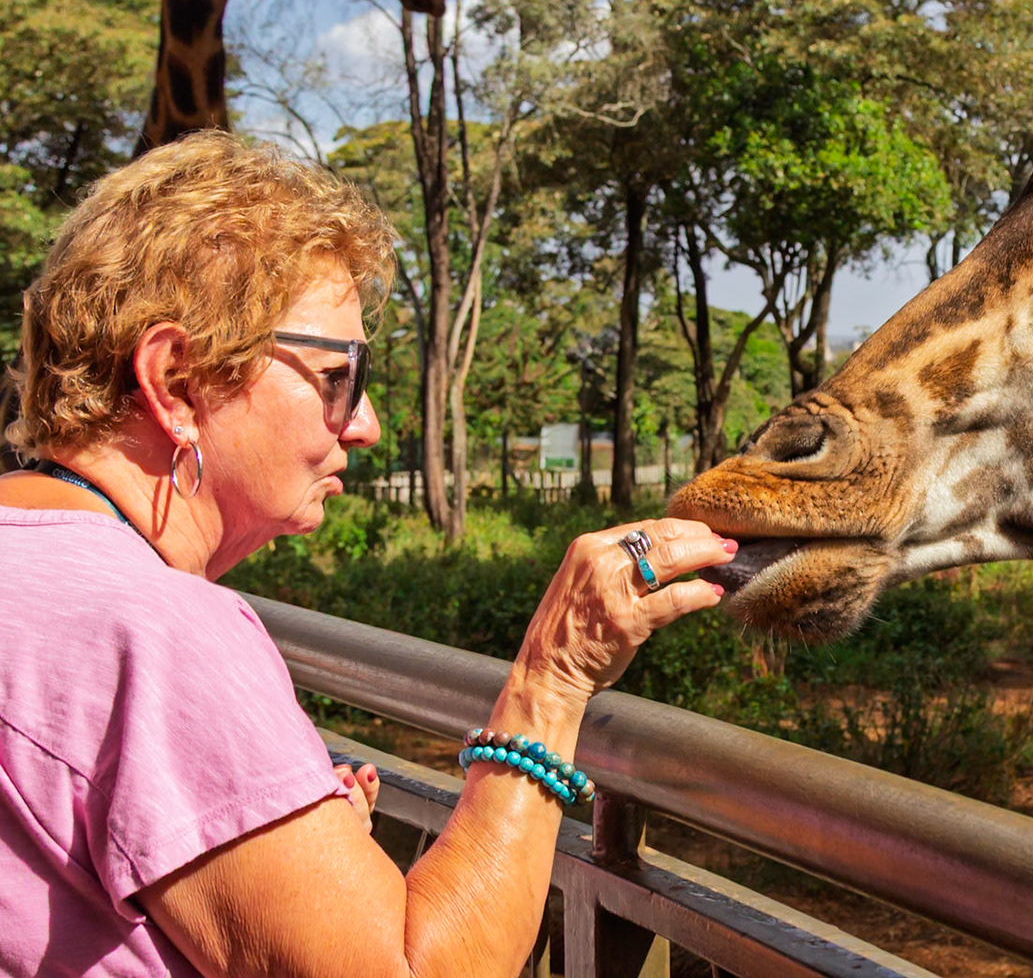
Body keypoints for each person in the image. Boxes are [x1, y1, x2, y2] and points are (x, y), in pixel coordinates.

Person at [0, 132, 737, 976]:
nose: (366, 423)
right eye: (337, 376)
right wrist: (551, 681)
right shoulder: (157, 633)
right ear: (176, 382)